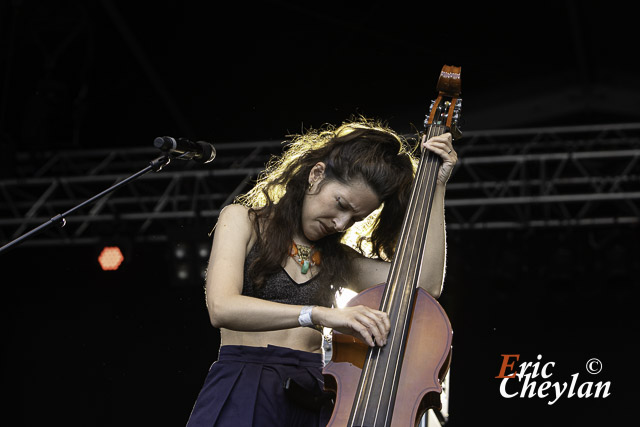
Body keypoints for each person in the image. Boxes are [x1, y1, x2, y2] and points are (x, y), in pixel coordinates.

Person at [186, 117, 457, 426]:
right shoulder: (242, 220)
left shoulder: (340, 259)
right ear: (316, 175)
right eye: (341, 204)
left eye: (355, 219)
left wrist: (436, 186)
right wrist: (318, 314)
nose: (341, 224)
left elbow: (425, 284)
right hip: (246, 383)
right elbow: (221, 307)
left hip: (314, 394)